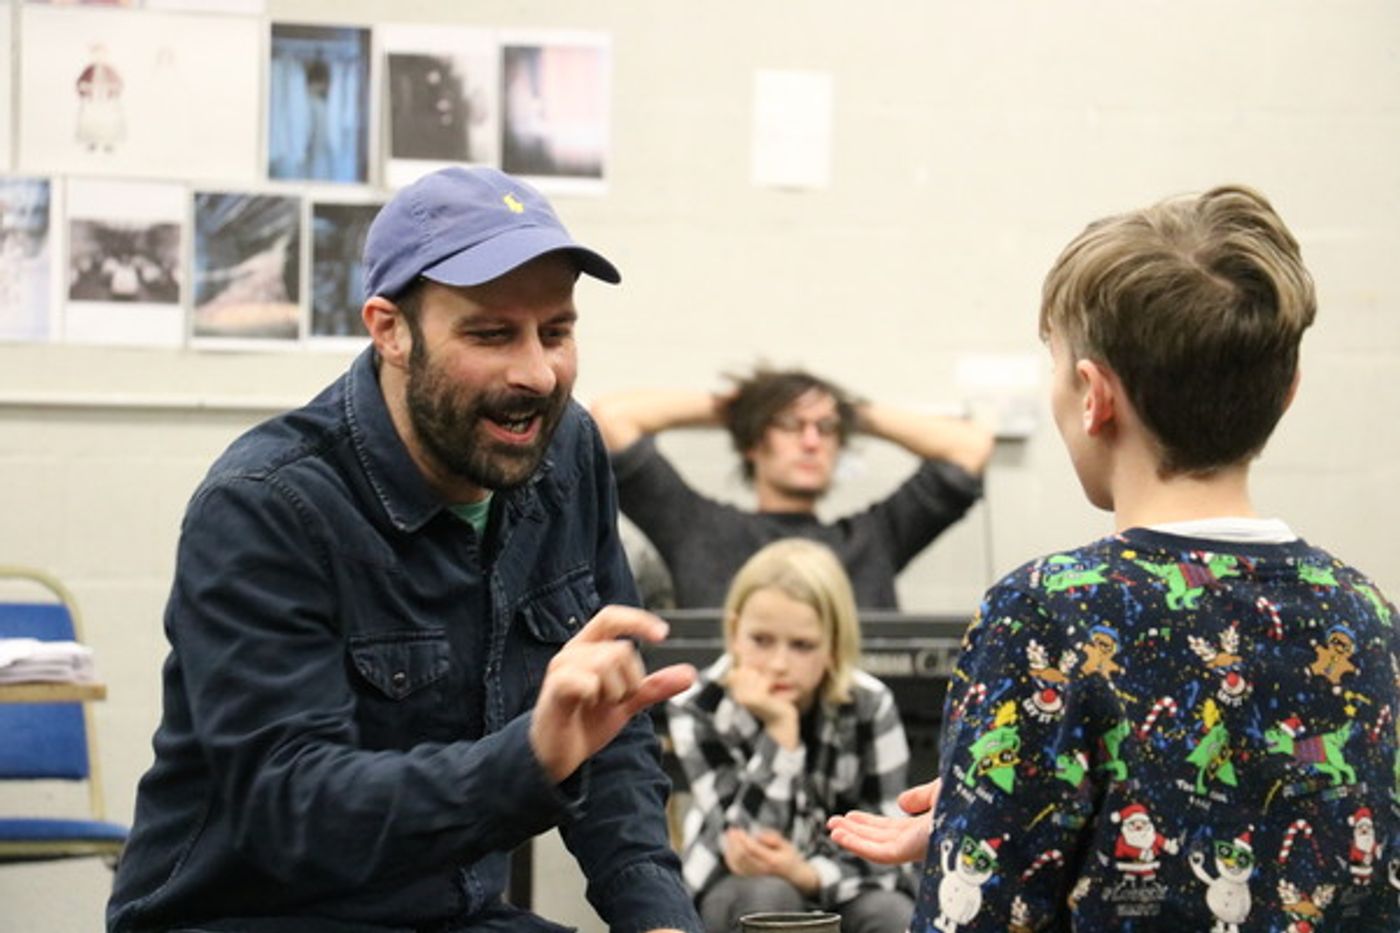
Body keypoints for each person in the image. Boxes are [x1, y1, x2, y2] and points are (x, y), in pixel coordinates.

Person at [108, 167, 702, 933]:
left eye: (556, 331)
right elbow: (294, 807)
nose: (537, 372)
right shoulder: (265, 505)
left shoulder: (568, 451)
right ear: (389, 328)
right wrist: (526, 759)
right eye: (491, 334)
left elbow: (612, 736)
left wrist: (658, 918)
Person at [827, 185, 1400, 930]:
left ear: (1094, 396)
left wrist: (977, 843)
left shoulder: (1045, 612)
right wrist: (989, 812)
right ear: (1289, 391)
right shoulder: (1365, 615)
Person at [667, 538, 917, 933]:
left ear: (834, 647)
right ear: (734, 633)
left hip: (836, 883)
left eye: (802, 645)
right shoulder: (699, 705)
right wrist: (780, 734)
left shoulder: (870, 704)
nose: (779, 664)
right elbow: (747, 844)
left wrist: (808, 874)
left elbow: (890, 849)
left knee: (890, 913)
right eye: (761, 640)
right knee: (769, 901)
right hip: (733, 888)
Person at [589, 369, 995, 609]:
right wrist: (742, 405)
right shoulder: (699, 530)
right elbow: (611, 419)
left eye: (826, 429)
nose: (812, 441)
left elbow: (971, 448)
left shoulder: (874, 539)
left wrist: (853, 414)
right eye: (789, 425)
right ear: (752, 443)